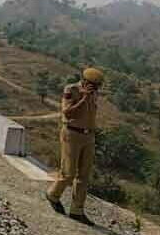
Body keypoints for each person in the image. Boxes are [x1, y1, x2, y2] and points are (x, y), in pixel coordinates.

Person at [45, 68, 104, 227]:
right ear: (85, 81)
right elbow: (68, 113)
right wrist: (84, 98)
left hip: (88, 136)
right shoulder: (71, 90)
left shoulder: (95, 94)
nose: (96, 89)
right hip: (72, 134)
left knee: (84, 175)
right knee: (68, 172)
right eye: (93, 85)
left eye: (98, 86)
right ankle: (53, 195)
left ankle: (77, 211)